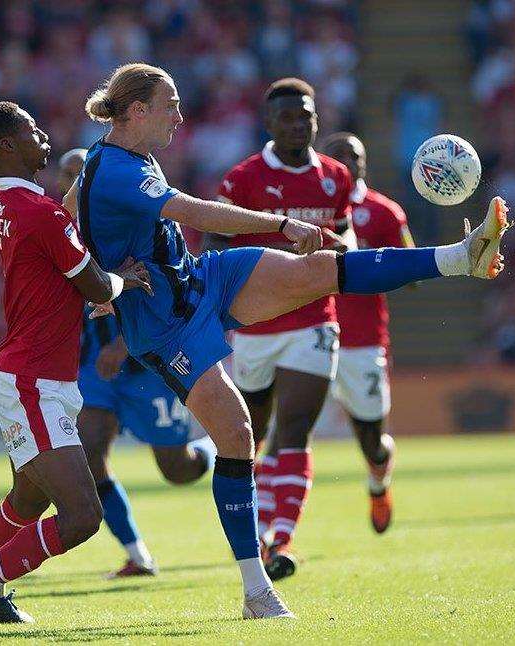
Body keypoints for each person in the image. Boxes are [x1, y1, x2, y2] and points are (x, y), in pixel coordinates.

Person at [72, 63, 507, 620]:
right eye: (171, 104)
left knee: (322, 269)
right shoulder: (114, 168)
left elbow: (71, 218)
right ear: (137, 112)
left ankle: (459, 258)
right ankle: (257, 589)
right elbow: (189, 210)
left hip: (199, 278)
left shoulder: (125, 158)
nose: (180, 115)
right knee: (237, 433)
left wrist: (94, 273)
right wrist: (102, 281)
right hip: (163, 324)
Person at [0, 102, 152, 633]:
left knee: (27, 499)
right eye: (32, 129)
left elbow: (62, 279)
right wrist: (126, 280)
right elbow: (95, 286)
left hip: (37, 374)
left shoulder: (8, 204)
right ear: (7, 145)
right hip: (33, 380)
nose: (44, 134)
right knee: (81, 518)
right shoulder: (40, 213)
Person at [210, 77, 354, 582]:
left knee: (293, 430)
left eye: (306, 116)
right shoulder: (243, 179)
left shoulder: (336, 177)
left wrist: (342, 250)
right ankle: (256, 532)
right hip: (255, 324)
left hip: (315, 320)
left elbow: (346, 238)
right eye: (287, 117)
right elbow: (216, 242)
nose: (298, 125)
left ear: (317, 120)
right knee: (249, 436)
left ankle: (280, 538)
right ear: (269, 124)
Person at [60, 148, 217, 579]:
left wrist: (126, 343)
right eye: (72, 177)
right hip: (98, 369)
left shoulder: (138, 223)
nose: (82, 184)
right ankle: (137, 555)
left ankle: (214, 446)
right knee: (89, 454)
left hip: (151, 366)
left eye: (85, 174)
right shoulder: (64, 233)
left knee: (178, 470)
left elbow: (166, 293)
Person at [322, 132, 415, 533]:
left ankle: (379, 483)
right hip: (309, 331)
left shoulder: (384, 212)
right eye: (337, 155)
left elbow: (410, 273)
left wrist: (375, 263)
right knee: (285, 428)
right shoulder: (305, 208)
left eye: (353, 155)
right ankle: (274, 529)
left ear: (364, 163)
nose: (346, 160)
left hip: (362, 340)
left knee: (372, 444)